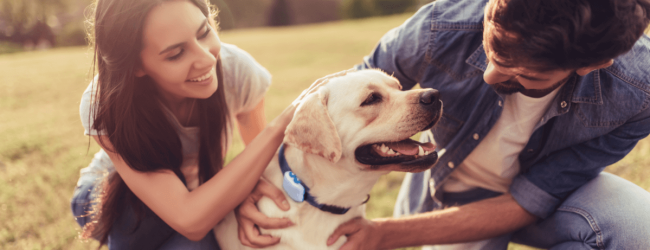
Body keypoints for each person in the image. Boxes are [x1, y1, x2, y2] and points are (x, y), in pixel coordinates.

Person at [237, 0, 650, 249]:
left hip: (551, 199)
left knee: (638, 229)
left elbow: (533, 199)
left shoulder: (639, 91)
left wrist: (383, 234)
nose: (490, 76)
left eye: (523, 74)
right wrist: (258, 180)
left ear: (592, 65)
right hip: (445, 185)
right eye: (491, 48)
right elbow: (344, 91)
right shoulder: (444, 25)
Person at [69, 0, 337, 248]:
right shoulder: (105, 104)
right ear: (136, 65)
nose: (208, 59)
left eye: (204, 32)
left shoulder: (236, 70)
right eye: (175, 54)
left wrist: (242, 198)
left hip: (196, 196)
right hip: (109, 197)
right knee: (150, 224)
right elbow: (189, 218)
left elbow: (261, 167)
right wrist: (281, 125)